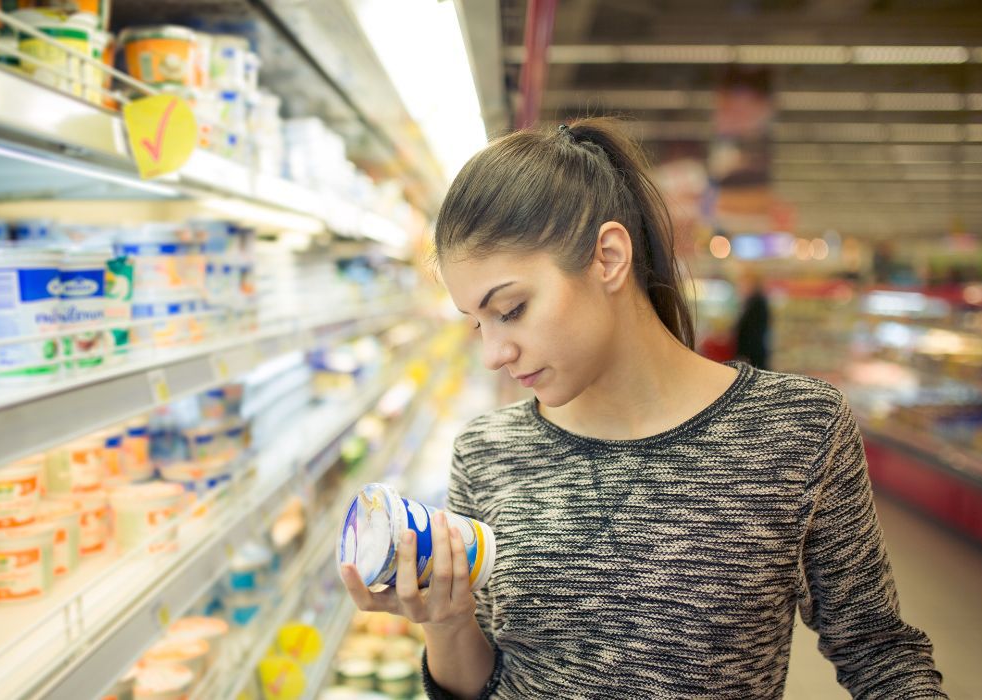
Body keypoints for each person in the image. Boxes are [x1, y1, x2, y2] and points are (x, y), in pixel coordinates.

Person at [340, 118, 945, 699]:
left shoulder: (796, 429)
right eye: (477, 324)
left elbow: (879, 652)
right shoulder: (487, 452)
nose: (495, 353)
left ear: (607, 258)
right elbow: (488, 680)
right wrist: (445, 625)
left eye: (512, 309)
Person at [734, 269, 771, 369]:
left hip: (753, 356)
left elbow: (753, 332)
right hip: (752, 354)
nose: (741, 286)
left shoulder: (757, 303)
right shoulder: (751, 302)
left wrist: (745, 354)